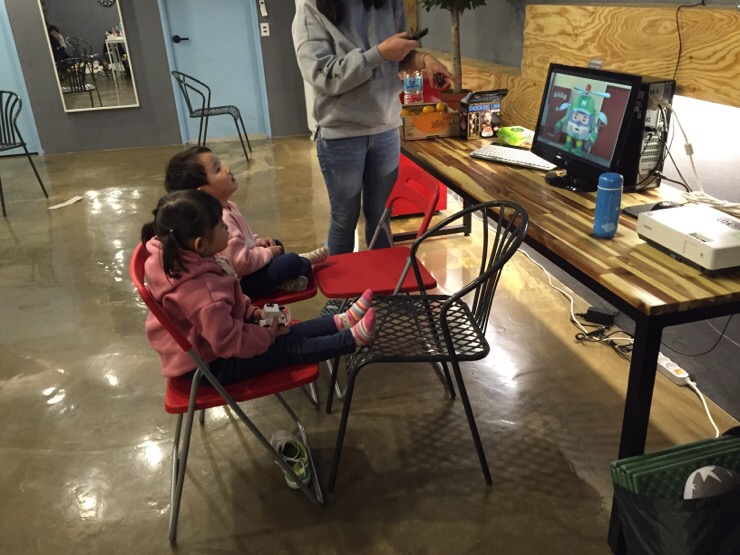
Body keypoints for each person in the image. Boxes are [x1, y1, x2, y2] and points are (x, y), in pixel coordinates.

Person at [140, 189, 377, 387]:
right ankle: (351, 340)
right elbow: (229, 341)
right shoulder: (203, 294)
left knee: (283, 323)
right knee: (283, 347)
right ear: (200, 243)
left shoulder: (185, 257)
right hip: (210, 365)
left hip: (221, 333)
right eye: (221, 226)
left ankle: (341, 321)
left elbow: (232, 296)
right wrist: (268, 335)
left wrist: (255, 313)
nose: (227, 229)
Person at [292, 0, 453, 255]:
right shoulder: (312, 6)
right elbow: (322, 75)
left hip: (386, 127)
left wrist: (424, 60)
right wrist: (378, 54)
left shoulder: (390, 2)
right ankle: (343, 283)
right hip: (341, 132)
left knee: (381, 218)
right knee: (345, 219)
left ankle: (382, 281)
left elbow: (398, 56)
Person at [164, 146, 329, 298]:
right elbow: (240, 264)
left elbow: (243, 240)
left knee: (276, 244)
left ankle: (284, 279)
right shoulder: (219, 220)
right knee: (291, 261)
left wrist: (258, 242)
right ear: (203, 192)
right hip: (241, 284)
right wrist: (269, 253)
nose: (227, 169)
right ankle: (302, 262)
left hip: (248, 266)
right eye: (217, 168)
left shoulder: (229, 206)